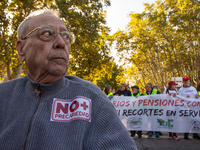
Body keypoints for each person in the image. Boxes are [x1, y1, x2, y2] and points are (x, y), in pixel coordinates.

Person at [0, 9, 137, 150]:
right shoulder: (3, 95)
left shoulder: (93, 100)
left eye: (66, 36)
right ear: (21, 48)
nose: (61, 43)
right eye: (47, 33)